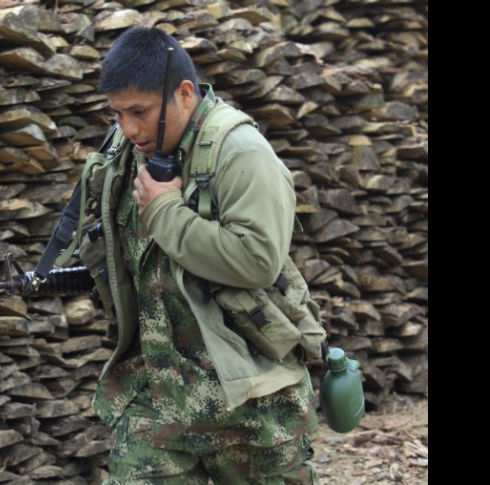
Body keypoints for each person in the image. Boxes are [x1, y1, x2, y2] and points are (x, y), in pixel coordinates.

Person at [70, 27, 326, 484]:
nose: (129, 128)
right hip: (158, 401)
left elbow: (257, 260)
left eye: (139, 112)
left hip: (252, 402)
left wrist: (165, 210)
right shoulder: (128, 152)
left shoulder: (241, 152)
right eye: (118, 113)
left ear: (185, 94)